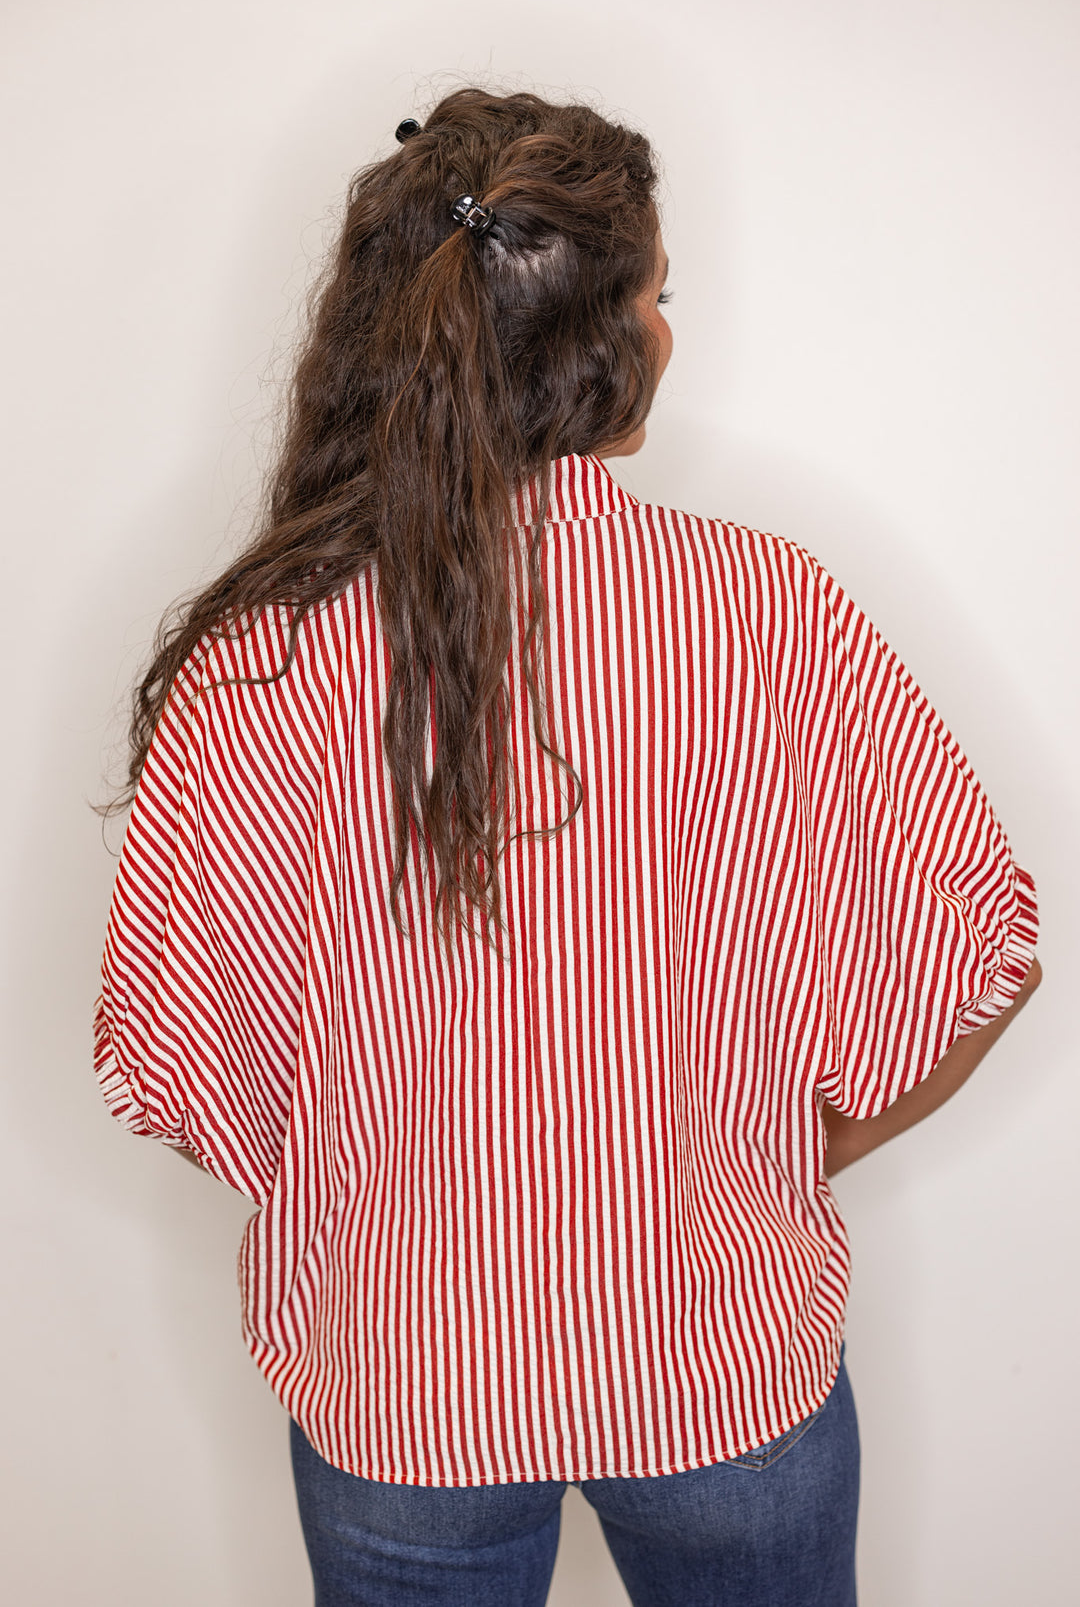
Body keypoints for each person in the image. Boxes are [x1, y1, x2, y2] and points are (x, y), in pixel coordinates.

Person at [93, 87, 1041, 1607]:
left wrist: (392, 1184)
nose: (675, 325)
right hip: (722, 1365)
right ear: (601, 336)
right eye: (663, 292)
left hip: (395, 1384)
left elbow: (183, 1060)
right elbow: (985, 946)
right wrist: (774, 1157)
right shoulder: (761, 610)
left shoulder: (257, 657)